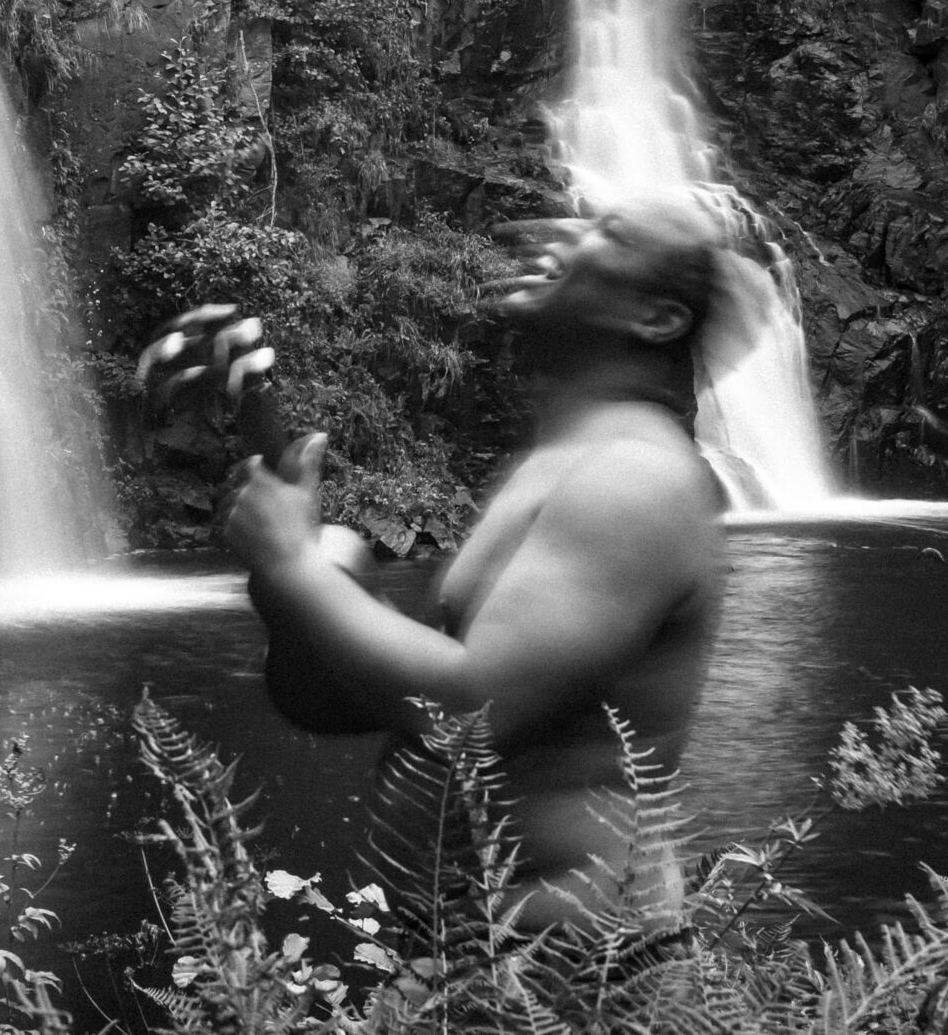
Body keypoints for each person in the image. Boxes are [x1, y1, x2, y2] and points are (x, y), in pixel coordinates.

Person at [220, 198, 733, 926]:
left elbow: (473, 712)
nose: (560, 231)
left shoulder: (635, 479)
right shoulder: (559, 461)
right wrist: (299, 592)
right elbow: (352, 705)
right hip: (467, 950)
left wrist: (298, 565)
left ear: (658, 319)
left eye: (606, 233)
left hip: (584, 961)